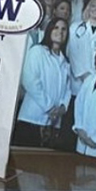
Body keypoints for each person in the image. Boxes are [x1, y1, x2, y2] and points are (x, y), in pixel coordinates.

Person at [14, 17, 72, 150]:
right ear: (49, 30)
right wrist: (50, 107)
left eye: (64, 29)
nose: (60, 32)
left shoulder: (65, 62)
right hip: (31, 120)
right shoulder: (37, 51)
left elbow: (68, 89)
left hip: (53, 123)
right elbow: (30, 81)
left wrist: (63, 107)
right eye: (56, 27)